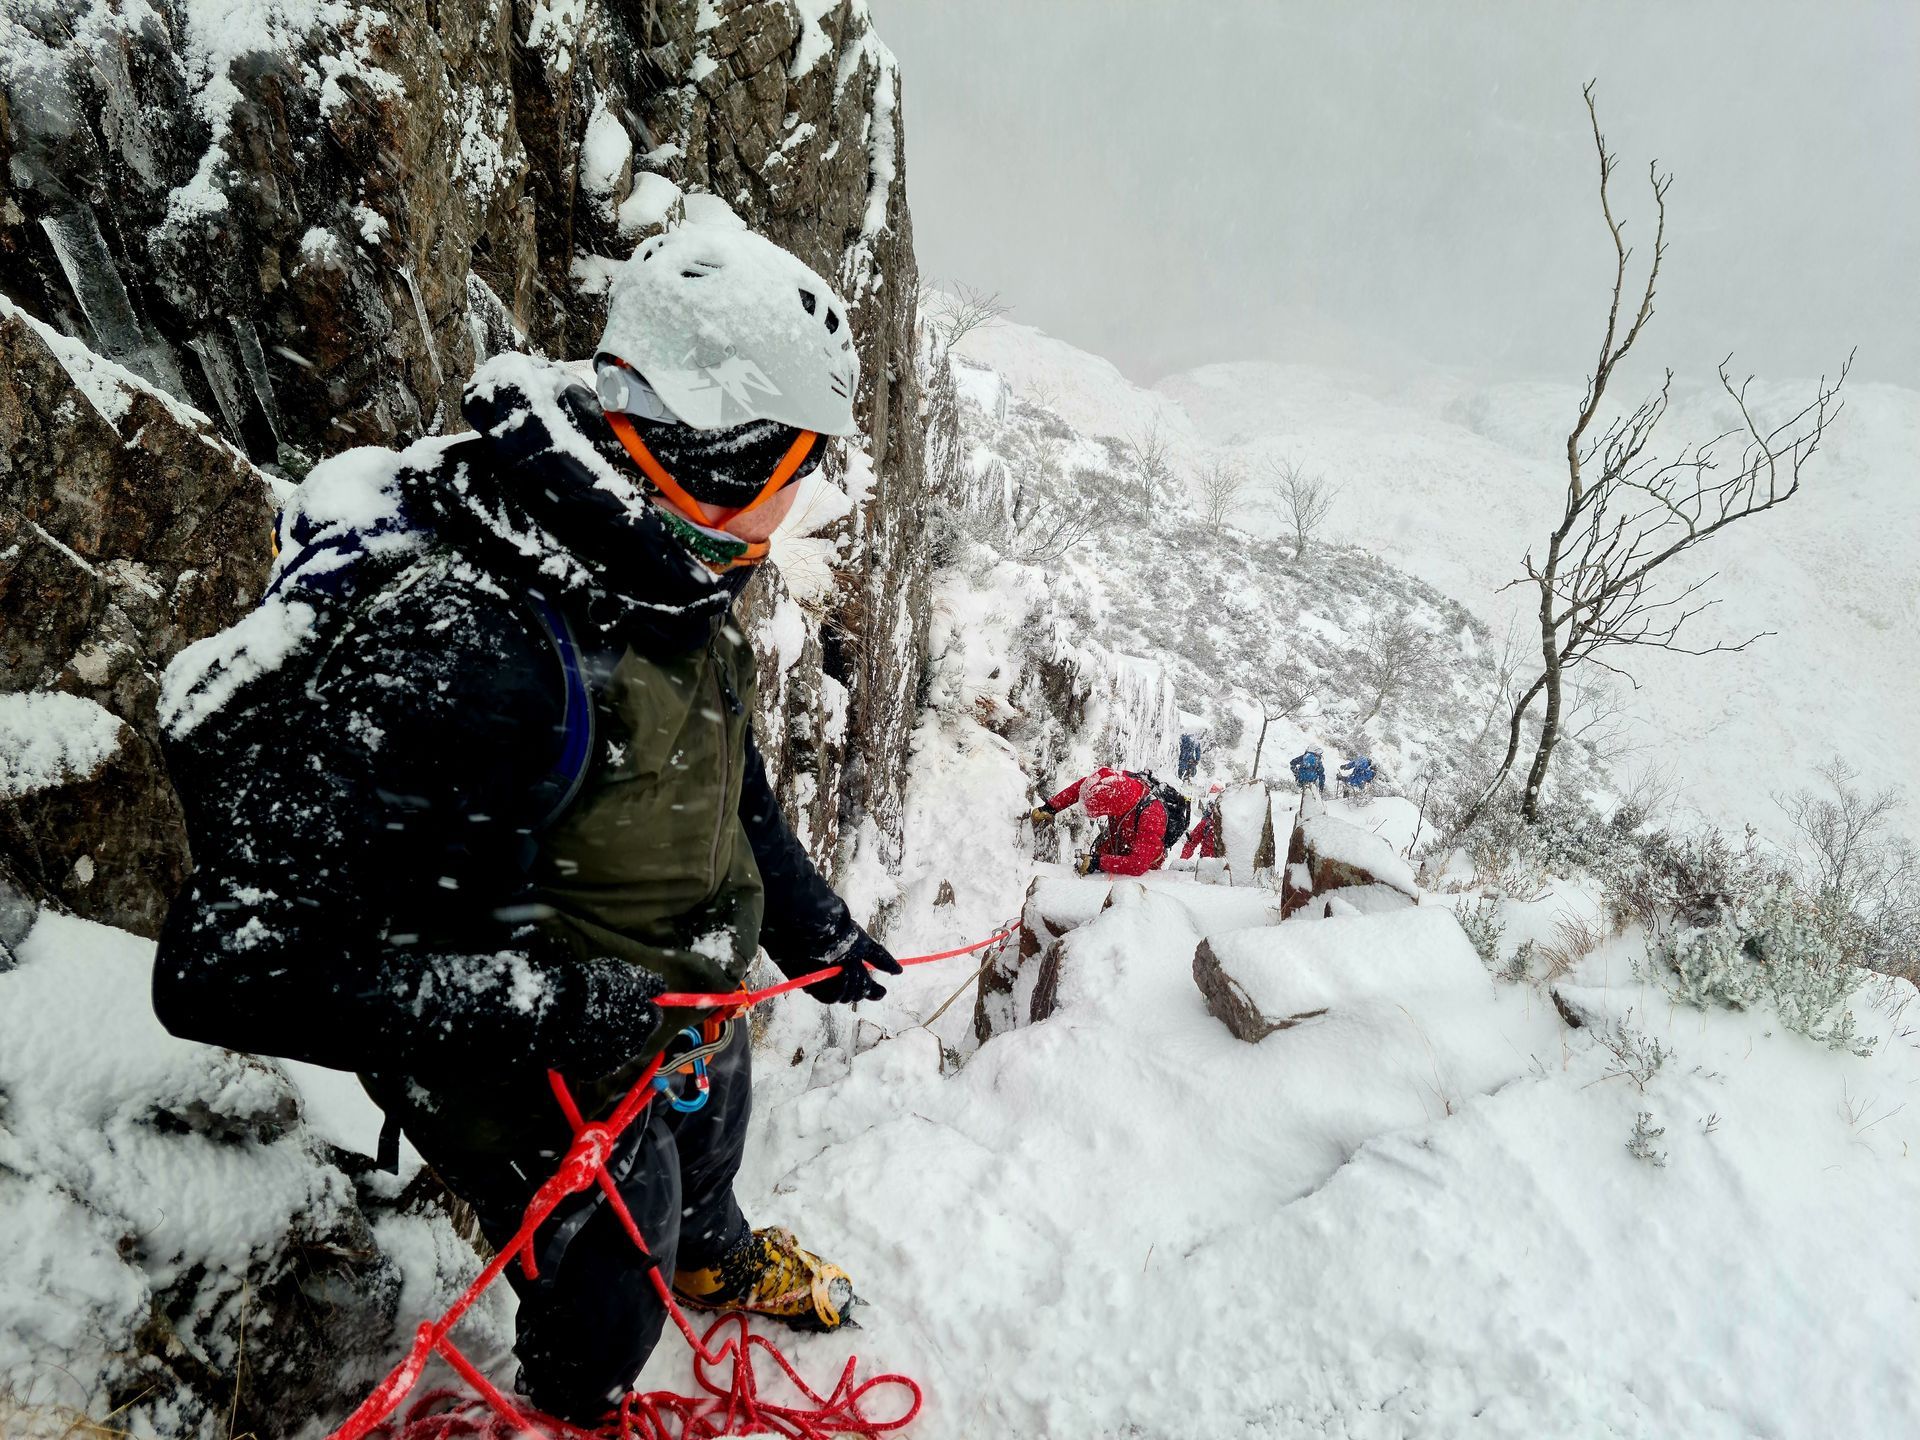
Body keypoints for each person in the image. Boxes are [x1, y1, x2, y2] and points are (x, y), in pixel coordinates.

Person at [151, 225, 898, 1426]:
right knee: (616, 1267)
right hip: (521, 1055)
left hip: (665, 996)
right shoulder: (466, 640)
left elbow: (720, 761)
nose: (799, 506)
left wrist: (809, 924)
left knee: (708, 1142)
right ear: (722, 458)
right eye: (795, 473)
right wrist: (554, 1009)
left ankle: (714, 1251)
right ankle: (572, 1405)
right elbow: (222, 968)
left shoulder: (659, 565)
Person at [1028, 767, 1176, 876]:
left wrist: (1097, 862)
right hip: (1119, 836)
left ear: (1112, 806)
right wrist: (1051, 807)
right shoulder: (1115, 782)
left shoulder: (1152, 815)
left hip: (1144, 864)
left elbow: (1138, 864)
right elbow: (1082, 787)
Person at [1180, 783, 1226, 860]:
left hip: (1210, 864)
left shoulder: (1208, 823)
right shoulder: (1207, 823)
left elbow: (1191, 842)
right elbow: (1191, 842)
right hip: (1210, 865)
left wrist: (1183, 858)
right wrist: (1183, 859)